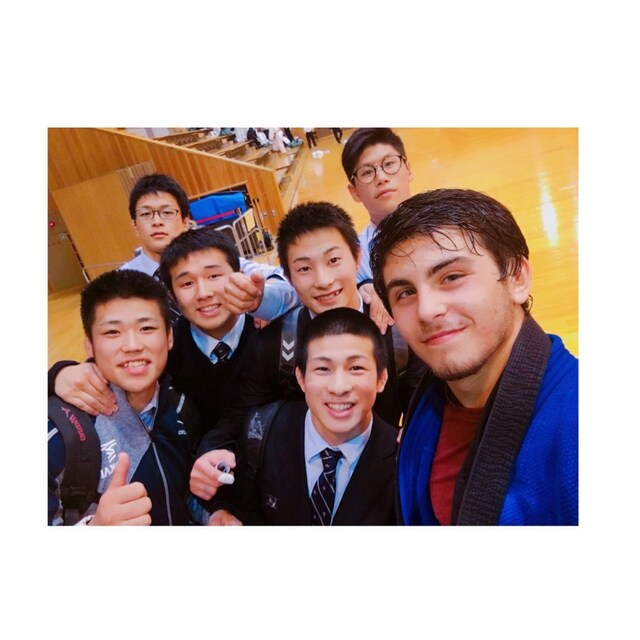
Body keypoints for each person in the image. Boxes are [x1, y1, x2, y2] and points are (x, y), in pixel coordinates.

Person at [369, 188, 579, 526]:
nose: (427, 310)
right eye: (406, 292)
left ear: (517, 278)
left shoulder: (576, 419)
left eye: (452, 277)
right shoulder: (430, 405)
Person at [191, 201, 426, 501]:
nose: (323, 280)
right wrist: (212, 452)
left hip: (384, 486)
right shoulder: (276, 342)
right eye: (304, 268)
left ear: (357, 257)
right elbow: (240, 415)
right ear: (288, 277)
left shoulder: (397, 330)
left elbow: (424, 405)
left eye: (333, 260)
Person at [48, 173, 299, 417]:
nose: (157, 221)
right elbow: (110, 344)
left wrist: (262, 302)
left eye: (167, 212)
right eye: (146, 214)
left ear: (185, 220)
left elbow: (287, 284)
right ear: (134, 225)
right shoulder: (123, 285)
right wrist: (59, 374)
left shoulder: (218, 260)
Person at [210, 308, 398, 525]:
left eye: (356, 368)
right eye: (323, 368)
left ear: (381, 378)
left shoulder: (403, 458)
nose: (338, 387)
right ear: (301, 378)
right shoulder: (262, 432)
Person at [48, 269, 198, 525]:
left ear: (169, 337)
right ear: (89, 344)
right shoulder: (58, 433)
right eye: (112, 332)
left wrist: (214, 512)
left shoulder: (182, 406)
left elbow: (185, 495)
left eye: (147, 328)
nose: (132, 345)